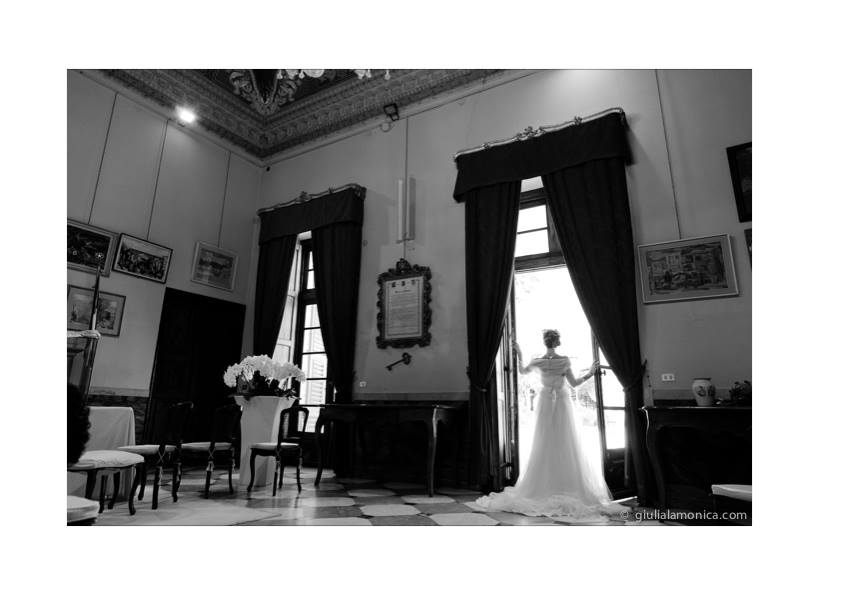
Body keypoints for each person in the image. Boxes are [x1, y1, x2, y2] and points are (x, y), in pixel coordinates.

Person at [475, 329, 625, 519]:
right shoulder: (564, 361)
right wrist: (590, 373)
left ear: (545, 342)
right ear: (557, 342)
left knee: (543, 442)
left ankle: (543, 486)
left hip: (545, 403)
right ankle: (566, 484)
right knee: (567, 443)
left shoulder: (538, 361)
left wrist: (519, 353)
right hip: (562, 403)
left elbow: (522, 371)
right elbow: (575, 383)